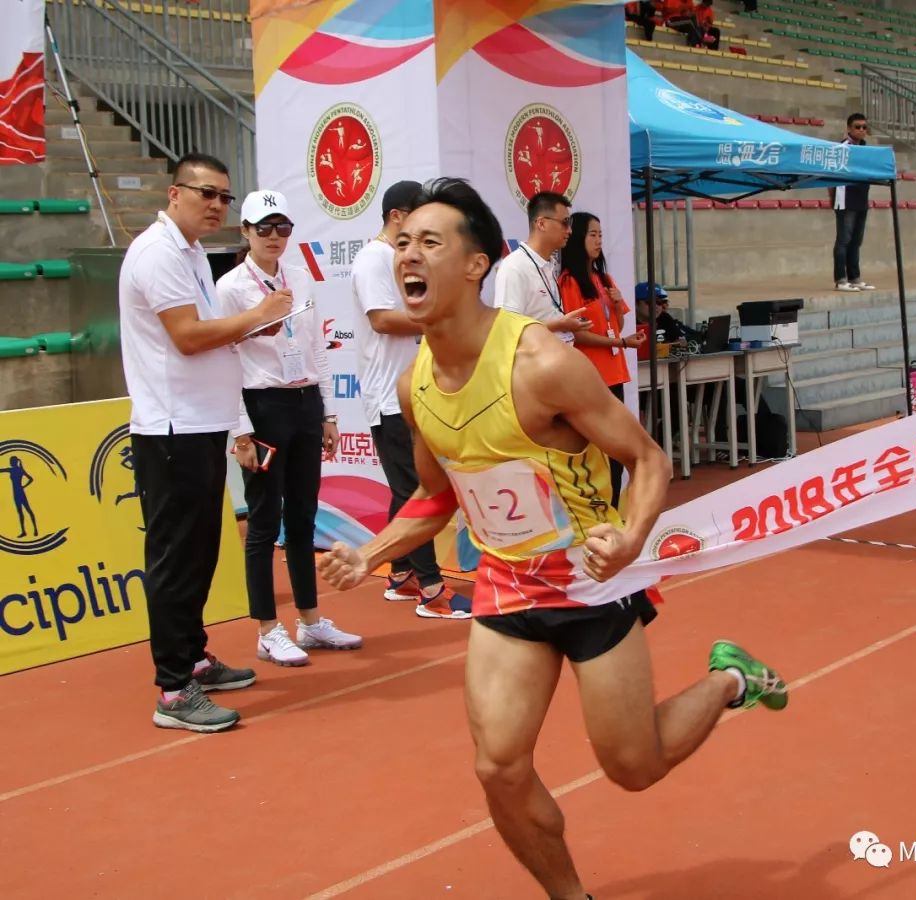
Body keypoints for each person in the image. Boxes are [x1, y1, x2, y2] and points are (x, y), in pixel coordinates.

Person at [317, 177, 788, 900]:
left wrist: (631, 539)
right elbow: (437, 495)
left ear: (476, 265)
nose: (409, 254)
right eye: (403, 241)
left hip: (592, 583)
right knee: (497, 768)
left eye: (431, 243)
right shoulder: (417, 385)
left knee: (634, 767)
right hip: (506, 587)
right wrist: (371, 552)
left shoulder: (541, 364)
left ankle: (731, 677)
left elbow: (648, 459)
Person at [119, 152, 294, 732]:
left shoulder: (190, 253)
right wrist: (258, 316)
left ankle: (192, 659)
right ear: (175, 194)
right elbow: (189, 337)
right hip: (172, 429)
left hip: (200, 424)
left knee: (197, 553)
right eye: (206, 194)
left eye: (224, 195)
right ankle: (172, 690)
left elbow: (208, 336)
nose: (217, 204)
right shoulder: (159, 252)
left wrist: (255, 323)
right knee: (175, 560)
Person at [216, 190, 363, 666]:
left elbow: (318, 346)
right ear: (245, 232)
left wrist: (327, 413)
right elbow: (227, 360)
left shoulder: (300, 277)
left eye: (283, 228)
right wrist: (239, 431)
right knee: (262, 522)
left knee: (303, 516)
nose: (275, 237)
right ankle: (266, 628)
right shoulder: (232, 288)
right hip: (262, 409)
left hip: (303, 403)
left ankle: (311, 620)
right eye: (264, 228)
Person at [351, 179, 471, 619]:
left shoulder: (398, 259)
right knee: (414, 490)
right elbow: (382, 319)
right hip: (390, 395)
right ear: (397, 217)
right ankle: (431, 588)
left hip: (410, 389)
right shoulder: (373, 259)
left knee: (405, 487)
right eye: (416, 223)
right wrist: (439, 319)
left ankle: (401, 574)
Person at [558, 212, 645, 509]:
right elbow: (578, 335)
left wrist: (618, 303)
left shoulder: (603, 278)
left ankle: (613, 510)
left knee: (617, 450)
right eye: (592, 234)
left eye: (601, 235)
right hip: (591, 378)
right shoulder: (569, 282)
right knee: (597, 451)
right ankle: (597, 512)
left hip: (615, 374)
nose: (598, 241)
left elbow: (617, 325)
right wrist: (620, 342)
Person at [492, 191, 592, 344]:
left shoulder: (548, 264)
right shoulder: (514, 266)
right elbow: (506, 329)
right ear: (542, 224)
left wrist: (563, 324)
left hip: (558, 360)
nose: (570, 230)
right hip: (535, 365)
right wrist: (560, 325)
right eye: (565, 222)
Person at [830, 113, 875, 293]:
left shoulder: (866, 148)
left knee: (856, 240)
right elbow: (833, 175)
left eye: (864, 127)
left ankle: (854, 277)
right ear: (849, 128)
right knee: (844, 239)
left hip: (861, 198)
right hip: (845, 198)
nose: (862, 130)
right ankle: (841, 279)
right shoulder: (843, 147)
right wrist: (832, 198)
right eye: (857, 127)